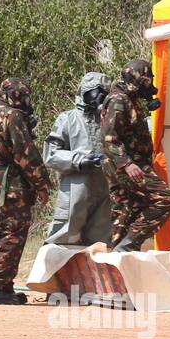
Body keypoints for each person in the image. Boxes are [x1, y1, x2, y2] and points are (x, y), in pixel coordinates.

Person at [0, 77, 51, 304]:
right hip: (12, 186)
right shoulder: (13, 116)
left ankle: (3, 284)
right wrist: (41, 184)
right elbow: (25, 153)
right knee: (12, 235)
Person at [101, 58, 170, 253]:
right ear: (138, 79)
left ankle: (116, 254)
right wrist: (127, 164)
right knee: (165, 199)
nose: (150, 84)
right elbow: (109, 137)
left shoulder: (130, 100)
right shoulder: (119, 100)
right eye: (147, 79)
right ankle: (129, 244)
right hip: (126, 164)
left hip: (127, 163)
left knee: (126, 209)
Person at [43, 72, 111, 246]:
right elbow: (51, 154)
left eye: (103, 92)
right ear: (83, 92)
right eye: (94, 92)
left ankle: (93, 273)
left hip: (104, 187)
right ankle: (60, 272)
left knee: (100, 241)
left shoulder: (108, 119)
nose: (98, 97)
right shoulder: (68, 119)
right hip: (76, 187)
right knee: (66, 235)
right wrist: (79, 160)